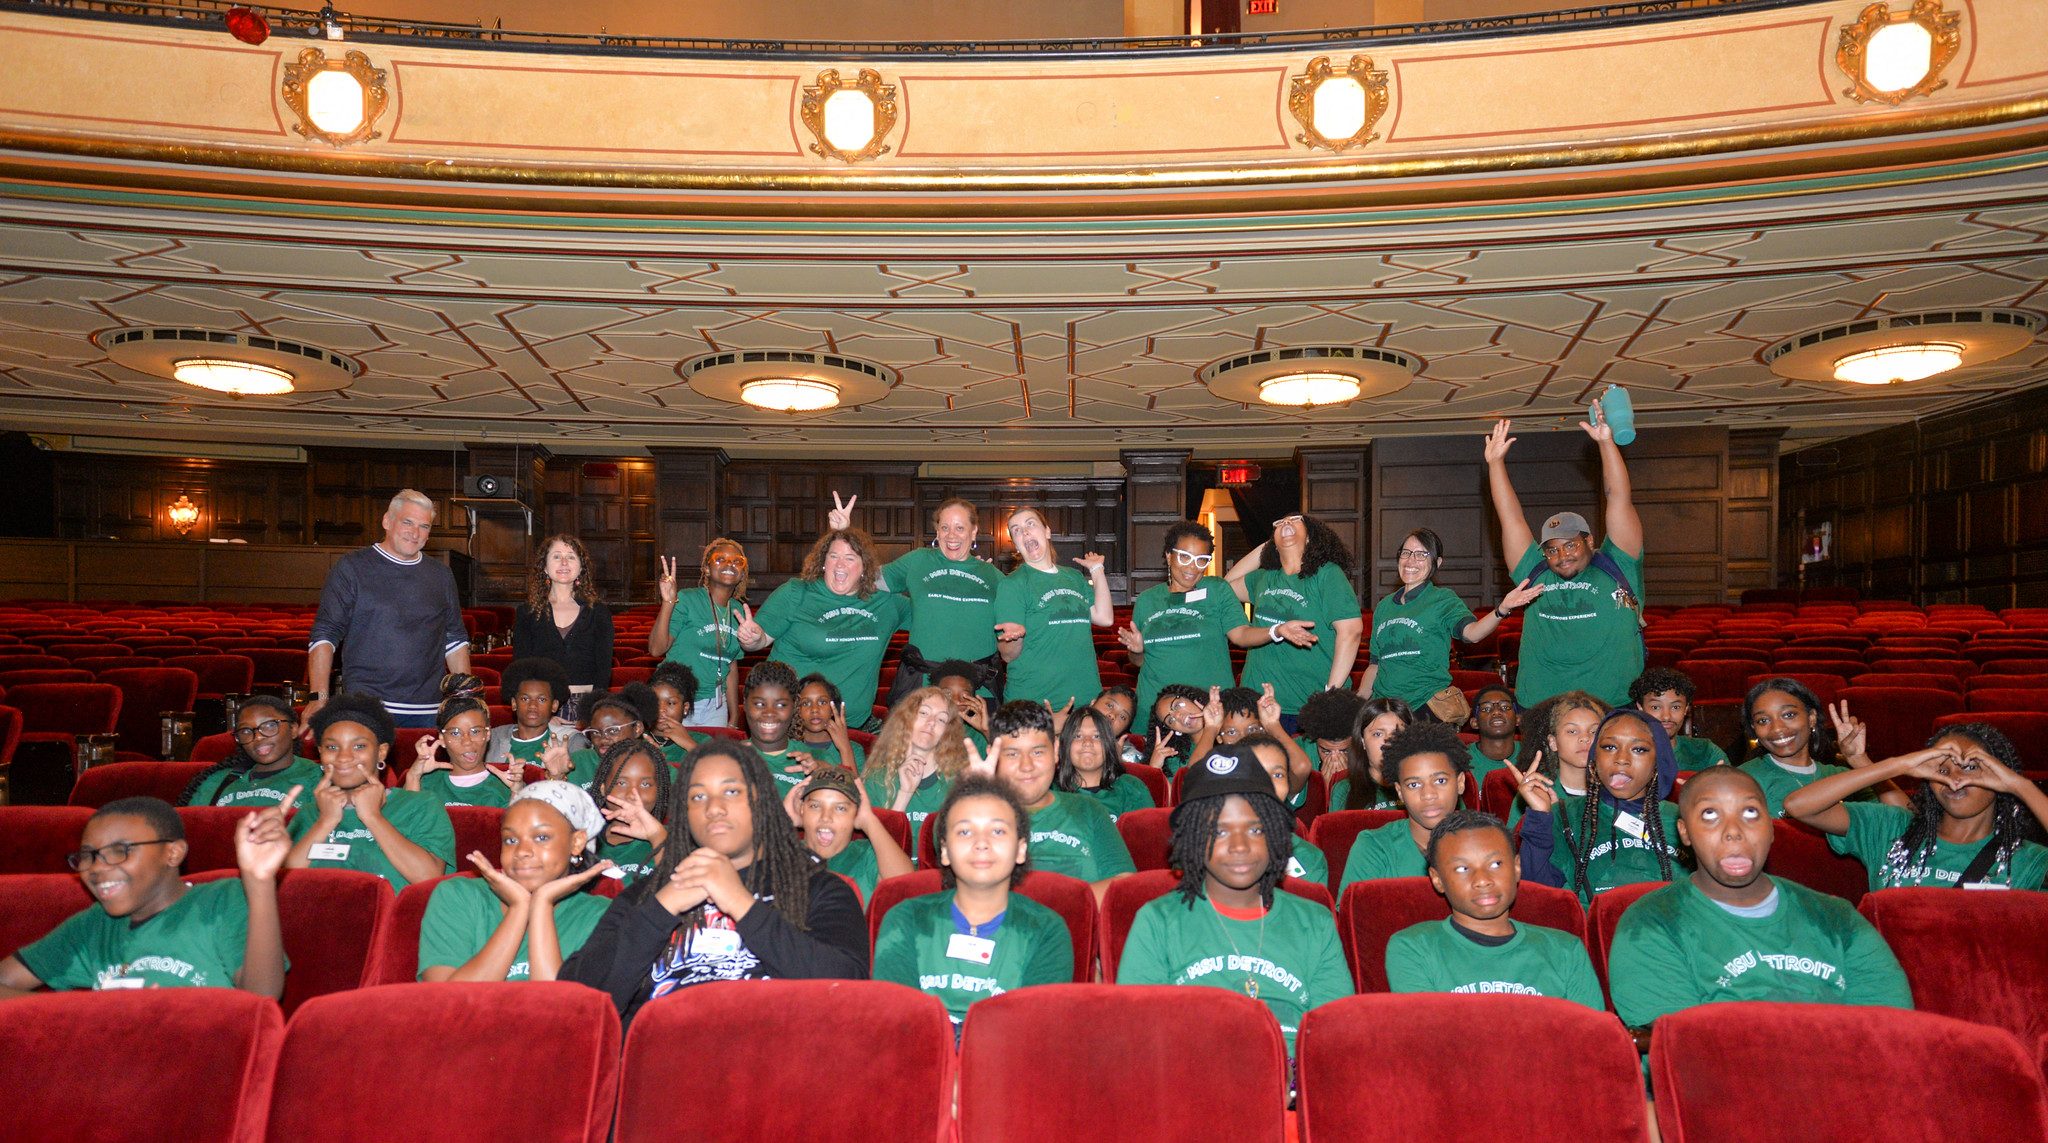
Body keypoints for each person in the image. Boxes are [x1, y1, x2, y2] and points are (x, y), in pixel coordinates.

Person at [559, 739, 869, 1028]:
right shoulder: (648, 896)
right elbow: (577, 1008)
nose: (714, 807)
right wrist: (660, 910)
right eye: (698, 796)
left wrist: (742, 906)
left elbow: (850, 993)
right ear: (685, 813)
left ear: (761, 800)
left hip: (778, 1072)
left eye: (731, 792)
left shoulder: (817, 889)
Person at [1609, 767, 1911, 1032]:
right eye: (1710, 815)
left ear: (1771, 828)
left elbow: (1892, 1028)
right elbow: (1692, 1046)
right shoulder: (1651, 922)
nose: (1733, 832)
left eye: (1750, 813)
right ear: (1684, 833)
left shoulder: (1836, 917)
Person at [1116, 745, 1352, 1055]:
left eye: (1255, 829)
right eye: (1219, 831)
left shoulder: (1315, 923)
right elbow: (1139, 1040)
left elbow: (1335, 1041)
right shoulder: (1157, 921)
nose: (1240, 846)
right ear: (1194, 840)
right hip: (1193, 1088)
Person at [0, 795, 293, 998]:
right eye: (88, 855)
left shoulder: (220, 901)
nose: (98, 868)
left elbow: (262, 995)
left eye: (120, 851)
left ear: (173, 852)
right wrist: (90, 1011)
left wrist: (260, 883)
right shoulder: (93, 925)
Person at [871, 774, 1072, 1028]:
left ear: (1021, 849)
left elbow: (1034, 1033)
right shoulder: (905, 920)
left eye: (997, 831)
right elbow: (897, 1026)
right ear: (944, 851)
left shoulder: (1046, 930)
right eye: (965, 831)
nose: (981, 843)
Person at [1482, 415, 1645, 708]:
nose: (1562, 556)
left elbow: (1619, 497)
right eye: (1553, 549)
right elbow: (1510, 517)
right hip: (1542, 708)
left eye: (1570, 545)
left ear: (1590, 541)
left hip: (1611, 706)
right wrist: (1495, 464)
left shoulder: (1619, 563)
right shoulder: (1534, 570)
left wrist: (1606, 443)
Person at [1784, 723, 2048, 891]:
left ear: (1999, 776)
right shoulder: (1892, 828)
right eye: (1942, 770)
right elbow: (1799, 806)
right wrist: (1899, 765)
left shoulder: (2028, 859)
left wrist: (2019, 786)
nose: (1955, 781)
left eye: (1971, 769)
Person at [1385, 810, 1604, 1009]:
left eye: (1495, 864)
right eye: (1462, 868)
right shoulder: (1414, 948)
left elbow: (1593, 1042)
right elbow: (1429, 1040)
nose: (1482, 880)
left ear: (1517, 868)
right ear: (1437, 879)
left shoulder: (1565, 950)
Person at [417, 782, 615, 982]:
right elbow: (447, 1004)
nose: (522, 851)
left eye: (541, 837)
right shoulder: (457, 895)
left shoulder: (601, 915)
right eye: (511, 840)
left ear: (577, 842)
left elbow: (558, 1009)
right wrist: (518, 908)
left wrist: (542, 904)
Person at [306, 489, 471, 728]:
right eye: (407, 522)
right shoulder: (352, 568)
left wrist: (466, 700)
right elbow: (325, 634)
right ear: (387, 521)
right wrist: (318, 697)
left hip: (429, 710)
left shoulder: (441, 575)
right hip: (368, 708)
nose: (415, 533)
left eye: (424, 526)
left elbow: (454, 639)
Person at [834, 494, 1004, 706]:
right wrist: (844, 535)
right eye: (945, 527)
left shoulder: (993, 575)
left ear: (974, 531)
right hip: (923, 686)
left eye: (960, 528)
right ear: (937, 530)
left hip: (977, 691)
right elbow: (864, 578)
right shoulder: (918, 560)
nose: (951, 535)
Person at [1358, 527, 1540, 717]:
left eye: (1421, 554)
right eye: (1406, 553)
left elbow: (1472, 633)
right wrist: (1361, 702)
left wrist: (1502, 609)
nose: (1411, 560)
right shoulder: (1384, 606)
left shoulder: (1442, 599)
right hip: (1384, 709)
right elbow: (1375, 664)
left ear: (1437, 563)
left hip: (1424, 707)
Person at [284, 692, 455, 887]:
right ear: (321, 752)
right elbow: (287, 886)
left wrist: (373, 818)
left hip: (396, 916)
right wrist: (325, 822)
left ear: (381, 752)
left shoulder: (420, 804)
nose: (344, 757)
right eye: (332, 747)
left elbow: (429, 879)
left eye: (358, 746)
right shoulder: (309, 812)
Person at [1516, 707, 1679, 905]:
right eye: (1609, 747)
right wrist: (1539, 817)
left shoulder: (1683, 819)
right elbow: (1536, 895)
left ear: (1658, 762)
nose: (1621, 759)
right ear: (1594, 757)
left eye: (1639, 749)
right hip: (1594, 933)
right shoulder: (1566, 815)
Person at [755, 526, 908, 732]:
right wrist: (751, 638)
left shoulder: (886, 603)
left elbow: (934, 616)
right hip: (794, 726)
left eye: (850, 558)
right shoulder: (796, 593)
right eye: (833, 556)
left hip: (856, 725)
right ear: (823, 562)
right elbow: (759, 641)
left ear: (865, 567)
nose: (840, 564)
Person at [974, 701, 1134, 898]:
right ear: (993, 755)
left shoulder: (1089, 809)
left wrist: (1060, 904)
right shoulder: (973, 814)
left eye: (1038, 752)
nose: (1027, 766)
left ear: (1056, 750)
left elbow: (1124, 880)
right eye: (1012, 753)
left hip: (1080, 924)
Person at [1118, 521, 1262, 733]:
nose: (1193, 567)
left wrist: (1276, 631)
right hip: (1158, 712)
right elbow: (1138, 661)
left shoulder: (1217, 590)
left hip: (1209, 710)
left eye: (1201, 560)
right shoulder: (1147, 600)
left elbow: (1241, 635)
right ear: (1169, 556)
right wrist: (1136, 650)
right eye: (1184, 557)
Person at [1222, 513, 1364, 723]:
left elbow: (1351, 631)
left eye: (1296, 520)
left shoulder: (1327, 574)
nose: (1286, 522)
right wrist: (1269, 545)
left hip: (1308, 704)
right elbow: (1224, 588)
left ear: (1310, 537)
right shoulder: (1264, 577)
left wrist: (1330, 695)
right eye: (1279, 523)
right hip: (1259, 701)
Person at [994, 506, 1113, 713]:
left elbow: (1104, 618)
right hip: (1034, 704)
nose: (1025, 532)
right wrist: (1015, 637)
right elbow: (1008, 656)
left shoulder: (1074, 577)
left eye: (1030, 524)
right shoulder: (1012, 584)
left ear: (1047, 531)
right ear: (1015, 543)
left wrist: (1097, 570)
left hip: (1085, 697)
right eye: (1016, 530)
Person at [649, 538, 770, 729]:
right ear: (706, 568)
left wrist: (734, 714)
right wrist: (668, 602)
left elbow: (730, 664)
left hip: (716, 705)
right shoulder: (688, 599)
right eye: (720, 559)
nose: (729, 564)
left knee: (712, 758)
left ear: (742, 573)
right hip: (677, 700)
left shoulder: (738, 610)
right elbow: (656, 649)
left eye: (737, 561)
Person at [1737, 679, 1903, 817]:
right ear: (1754, 728)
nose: (1777, 728)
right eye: (1763, 721)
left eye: (1789, 715)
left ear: (1811, 718)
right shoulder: (1744, 779)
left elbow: (1907, 821)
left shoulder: (1841, 777)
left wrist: (1861, 760)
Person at [1340, 721, 1471, 890]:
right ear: (1400, 791)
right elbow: (1353, 913)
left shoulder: (1485, 842)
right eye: (1414, 785)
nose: (1428, 794)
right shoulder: (1374, 847)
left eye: (1440, 781)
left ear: (1460, 783)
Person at [511, 534, 613, 720]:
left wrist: (591, 713)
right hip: (541, 706)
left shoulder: (599, 613)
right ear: (544, 566)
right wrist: (543, 712)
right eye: (556, 556)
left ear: (581, 567)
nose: (564, 562)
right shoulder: (526, 613)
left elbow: (603, 672)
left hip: (587, 706)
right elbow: (522, 668)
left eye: (571, 556)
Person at [785, 764, 913, 903]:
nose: (826, 817)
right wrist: (783, 821)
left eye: (840, 808)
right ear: (802, 809)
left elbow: (907, 887)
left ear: (857, 813)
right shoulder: (786, 851)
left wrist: (869, 820)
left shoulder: (866, 854)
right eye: (815, 806)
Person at [861, 686, 971, 837]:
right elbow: (879, 847)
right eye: (924, 713)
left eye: (941, 719)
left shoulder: (960, 780)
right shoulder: (876, 778)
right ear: (906, 719)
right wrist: (905, 793)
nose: (931, 722)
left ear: (947, 732)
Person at [1188, 685, 1315, 815]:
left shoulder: (1273, 771)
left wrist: (1273, 724)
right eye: (1231, 732)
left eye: (1253, 729)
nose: (1243, 738)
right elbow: (1196, 771)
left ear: (1264, 730)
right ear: (1219, 738)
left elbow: (1302, 767)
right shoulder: (1219, 771)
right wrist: (1211, 727)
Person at [181, 694, 320, 808]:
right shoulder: (215, 781)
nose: (258, 736)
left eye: (270, 725)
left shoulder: (318, 777)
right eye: (246, 730)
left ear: (294, 729)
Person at [1238, 731, 1330, 885]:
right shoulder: (1206, 846)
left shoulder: (1308, 857)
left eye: (1278, 775)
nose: (1267, 783)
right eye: (1256, 772)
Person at [406, 691, 513, 808]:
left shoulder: (505, 786)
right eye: (455, 733)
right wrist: (413, 775)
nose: (467, 741)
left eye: (475, 731)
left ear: (487, 734)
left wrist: (517, 793)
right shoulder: (425, 782)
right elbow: (406, 822)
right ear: (442, 739)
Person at [589, 739, 671, 885]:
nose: (633, 794)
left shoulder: (672, 838)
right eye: (621, 783)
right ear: (602, 788)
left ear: (659, 791)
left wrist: (657, 836)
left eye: (645, 784)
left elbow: (677, 890)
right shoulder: (584, 839)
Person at [488, 657, 592, 769]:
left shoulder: (572, 741)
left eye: (541, 699)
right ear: (514, 703)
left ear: (554, 705)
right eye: (525, 699)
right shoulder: (492, 739)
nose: (533, 705)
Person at [1054, 705, 1153, 822]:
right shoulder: (1050, 791)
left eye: (1097, 736)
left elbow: (1148, 837)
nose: (1087, 742)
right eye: (1078, 736)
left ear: (1109, 745)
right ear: (1063, 745)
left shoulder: (1130, 788)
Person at [1629, 667, 1728, 771]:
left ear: (1686, 709)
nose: (1666, 716)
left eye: (1675, 707)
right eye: (1656, 707)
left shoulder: (1706, 752)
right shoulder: (1627, 754)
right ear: (1640, 708)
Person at [1332, 697, 1412, 812]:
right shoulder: (1345, 790)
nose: (1388, 742)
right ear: (1363, 741)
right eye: (1378, 734)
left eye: (1398, 733)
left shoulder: (1423, 785)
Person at [1294, 689, 1364, 803]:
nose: (1335, 759)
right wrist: (1321, 788)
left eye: (1345, 751)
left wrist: (1346, 783)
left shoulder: (1369, 750)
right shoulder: (1297, 751)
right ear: (1315, 740)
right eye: (1326, 751)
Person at [794, 673, 864, 771]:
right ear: (797, 710)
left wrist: (845, 749)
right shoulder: (788, 748)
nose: (814, 709)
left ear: (833, 709)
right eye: (806, 703)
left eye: (822, 702)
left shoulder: (854, 749)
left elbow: (857, 785)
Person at [932, 659, 997, 753]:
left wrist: (987, 731)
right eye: (947, 694)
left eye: (964, 696)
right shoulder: (922, 730)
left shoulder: (979, 737)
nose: (956, 701)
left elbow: (1006, 763)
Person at [1465, 683, 1519, 794]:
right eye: (1486, 709)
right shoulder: (1460, 760)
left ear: (1518, 719)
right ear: (1474, 722)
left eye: (1505, 707)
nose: (1496, 712)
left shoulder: (1533, 755)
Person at [1144, 684, 1208, 776]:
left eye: (1177, 706)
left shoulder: (1230, 723)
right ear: (1175, 731)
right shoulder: (1177, 759)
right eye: (1170, 720)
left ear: (1189, 697)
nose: (1177, 716)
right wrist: (1155, 768)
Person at [647, 662, 701, 765]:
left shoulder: (701, 741)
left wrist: (689, 745)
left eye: (670, 703)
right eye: (655, 701)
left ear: (685, 708)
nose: (661, 709)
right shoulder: (636, 739)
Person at [1090, 685, 1146, 768]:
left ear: (1125, 729)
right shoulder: (1066, 728)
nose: (1113, 715)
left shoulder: (1129, 757)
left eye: (1122, 717)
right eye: (1110, 705)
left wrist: (1117, 763)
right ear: (1093, 703)